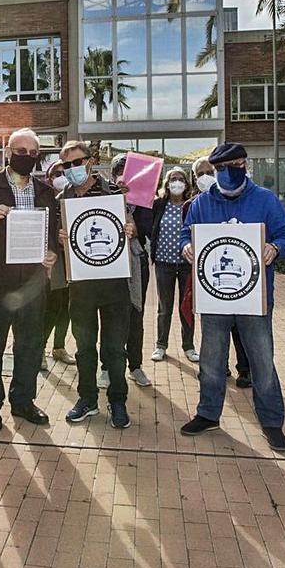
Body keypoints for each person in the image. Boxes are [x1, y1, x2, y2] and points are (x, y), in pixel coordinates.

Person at [178, 143, 285, 451]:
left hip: (253, 298)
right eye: (221, 168)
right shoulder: (201, 203)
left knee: (261, 361)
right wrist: (186, 247)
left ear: (245, 165)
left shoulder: (265, 200)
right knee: (211, 360)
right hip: (214, 297)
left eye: (235, 165)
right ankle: (208, 413)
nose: (228, 172)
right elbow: (186, 233)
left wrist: (276, 248)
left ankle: (271, 422)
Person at [0, 128, 58, 430]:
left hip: (33, 283)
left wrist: (51, 253)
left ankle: (23, 401)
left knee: (30, 345)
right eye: (20, 151)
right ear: (9, 152)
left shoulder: (46, 190)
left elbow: (52, 232)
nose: (26, 157)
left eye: (32, 153)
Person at [56, 140, 135, 429]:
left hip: (114, 287)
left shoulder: (115, 193)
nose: (73, 169)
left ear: (90, 161)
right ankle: (87, 399)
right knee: (84, 347)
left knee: (115, 349)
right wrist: (60, 238)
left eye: (77, 162)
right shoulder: (61, 199)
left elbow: (134, 227)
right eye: (67, 165)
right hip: (80, 288)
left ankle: (118, 402)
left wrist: (131, 228)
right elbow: (55, 238)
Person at [185, 156, 251, 388]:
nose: (204, 176)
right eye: (199, 173)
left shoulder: (246, 197)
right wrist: (187, 245)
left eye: (208, 171)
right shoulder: (196, 203)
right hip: (210, 278)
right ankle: (217, 366)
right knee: (214, 328)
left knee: (241, 328)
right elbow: (187, 233)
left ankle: (245, 369)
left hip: (241, 277)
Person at [108, 153, 153, 388]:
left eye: (128, 174)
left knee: (135, 315)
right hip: (109, 264)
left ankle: (135, 365)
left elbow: (146, 229)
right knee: (110, 317)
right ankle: (107, 367)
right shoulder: (104, 195)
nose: (123, 179)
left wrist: (132, 223)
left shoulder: (145, 202)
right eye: (119, 173)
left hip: (136, 261)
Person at [150, 166, 198, 364]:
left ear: (186, 184)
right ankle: (160, 345)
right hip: (164, 263)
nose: (176, 182)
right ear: (167, 184)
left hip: (186, 263)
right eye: (173, 179)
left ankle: (189, 346)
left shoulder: (192, 204)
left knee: (187, 306)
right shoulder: (158, 204)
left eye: (180, 179)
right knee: (164, 307)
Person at [41, 160, 76, 367]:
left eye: (64, 172)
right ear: (49, 177)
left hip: (73, 263)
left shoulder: (73, 198)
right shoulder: (46, 199)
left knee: (67, 308)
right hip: (54, 262)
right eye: (56, 174)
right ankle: (40, 348)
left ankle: (59, 347)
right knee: (52, 307)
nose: (61, 177)